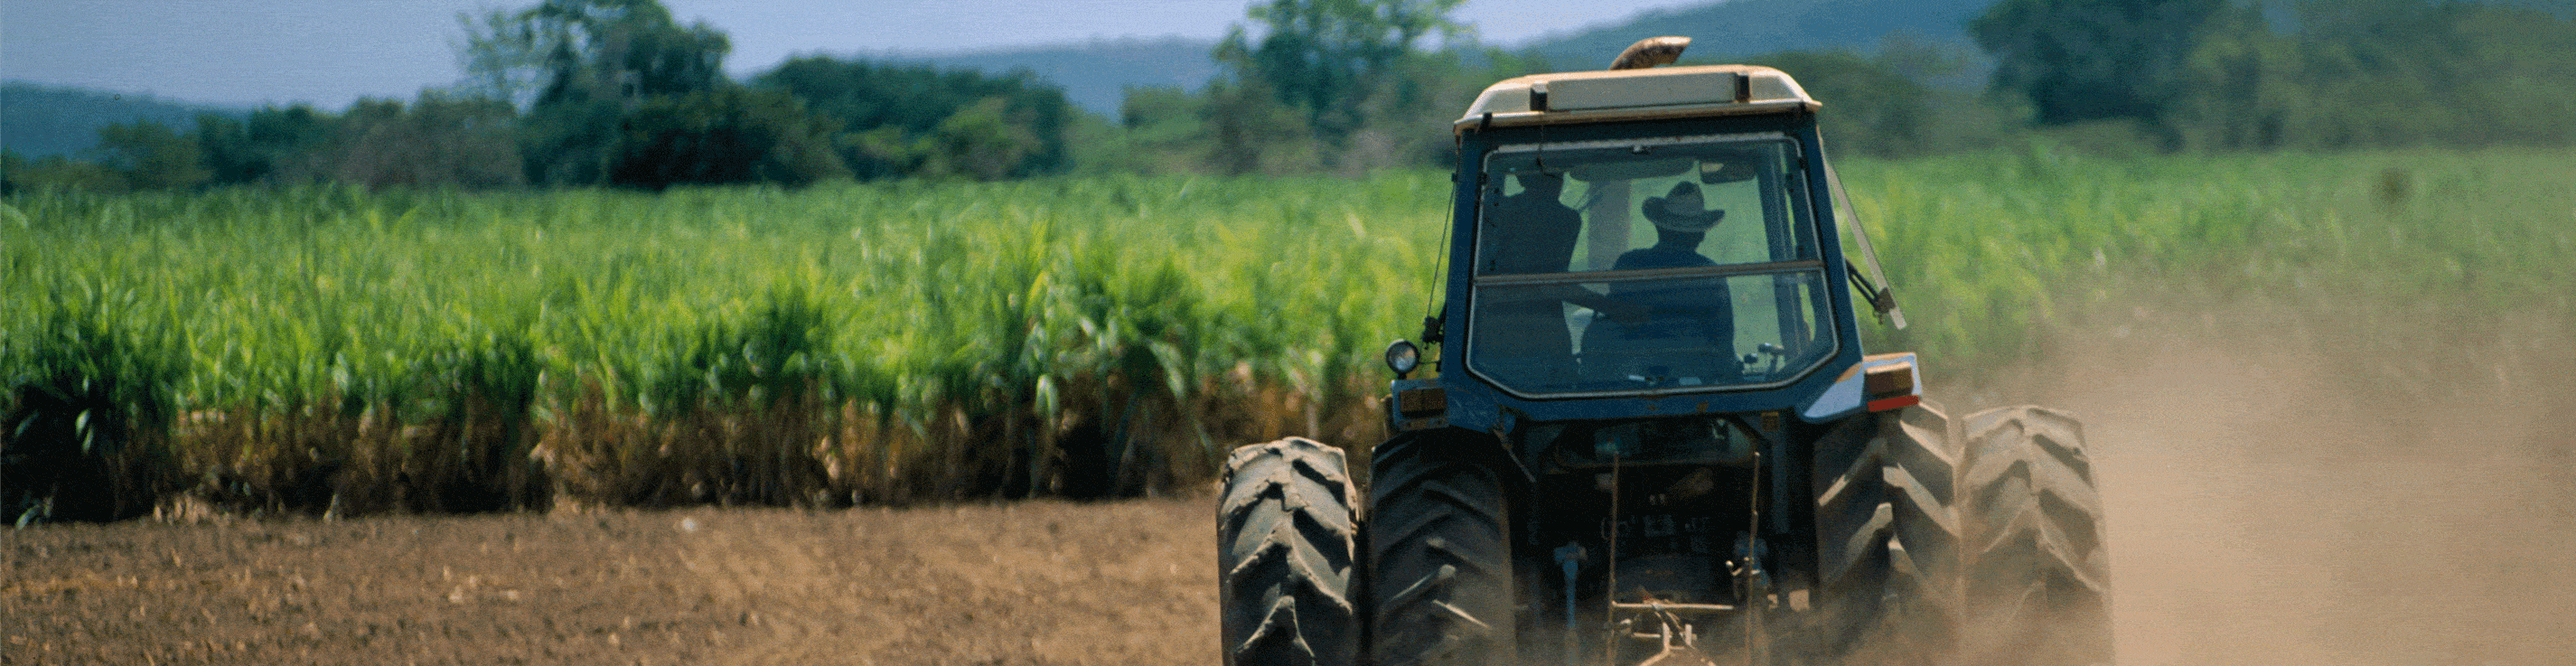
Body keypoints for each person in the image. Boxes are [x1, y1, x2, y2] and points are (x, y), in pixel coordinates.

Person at [1582, 181, 1739, 385]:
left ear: (1658, 227)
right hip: (1693, 380)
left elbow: (1615, 315)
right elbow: (1723, 338)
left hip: (1623, 380)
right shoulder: (1709, 273)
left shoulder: (1629, 263)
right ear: (1700, 235)